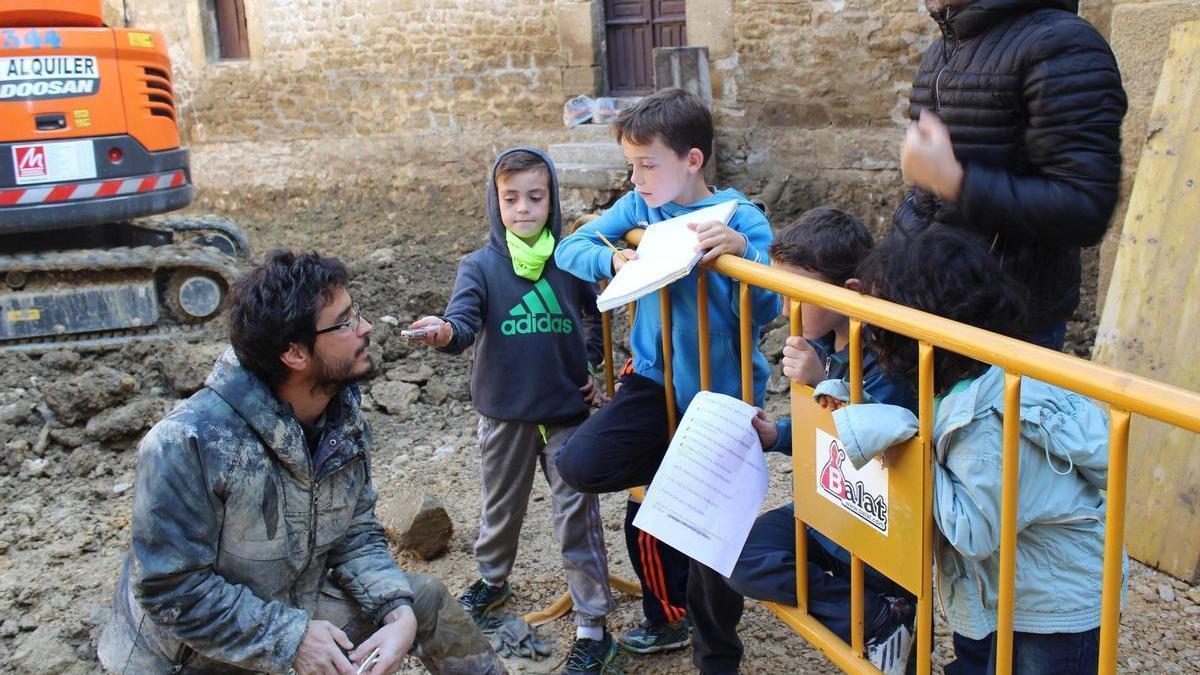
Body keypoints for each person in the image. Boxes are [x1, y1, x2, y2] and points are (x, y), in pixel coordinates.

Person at [97, 251, 505, 675]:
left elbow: (355, 533)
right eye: (345, 322)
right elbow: (172, 591)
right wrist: (291, 639)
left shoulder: (339, 419)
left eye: (357, 314)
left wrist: (396, 610)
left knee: (424, 603)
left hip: (288, 605)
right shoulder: (191, 443)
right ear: (294, 353)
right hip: (189, 656)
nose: (365, 328)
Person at [827, 225, 1121, 674]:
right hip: (1008, 589)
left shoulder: (982, 421)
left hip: (1055, 610)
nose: (872, 333)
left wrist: (910, 444)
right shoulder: (963, 379)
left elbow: (973, 531)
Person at [553, 88, 779, 659]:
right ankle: (676, 477)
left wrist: (744, 260)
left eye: (647, 164)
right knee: (580, 462)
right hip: (655, 381)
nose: (636, 178)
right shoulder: (643, 208)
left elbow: (771, 310)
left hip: (722, 396)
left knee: (711, 550)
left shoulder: (740, 217)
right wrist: (613, 258)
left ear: (693, 160)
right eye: (631, 165)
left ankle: (717, 656)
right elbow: (570, 247)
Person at [407, 148, 616, 674]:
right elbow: (462, 320)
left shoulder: (570, 260)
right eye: (511, 198)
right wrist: (444, 332)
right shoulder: (478, 266)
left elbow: (594, 320)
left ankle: (592, 625)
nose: (523, 209)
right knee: (501, 508)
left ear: (553, 201)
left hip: (568, 412)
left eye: (536, 197)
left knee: (578, 517)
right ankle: (493, 581)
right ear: (494, 202)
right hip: (504, 413)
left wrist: (590, 363)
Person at [687, 207, 917, 675]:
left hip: (877, 530)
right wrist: (776, 434)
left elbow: (878, 443)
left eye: (799, 295)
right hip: (825, 510)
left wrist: (821, 383)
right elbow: (821, 434)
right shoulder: (828, 341)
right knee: (731, 552)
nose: (786, 309)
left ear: (848, 292)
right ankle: (876, 616)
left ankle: (887, 614)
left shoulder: (890, 353)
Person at [896, 0, 1127, 350]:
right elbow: (928, 203)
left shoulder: (1063, 44)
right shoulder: (944, 49)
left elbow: (1085, 207)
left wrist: (955, 182)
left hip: (1008, 325)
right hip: (932, 308)